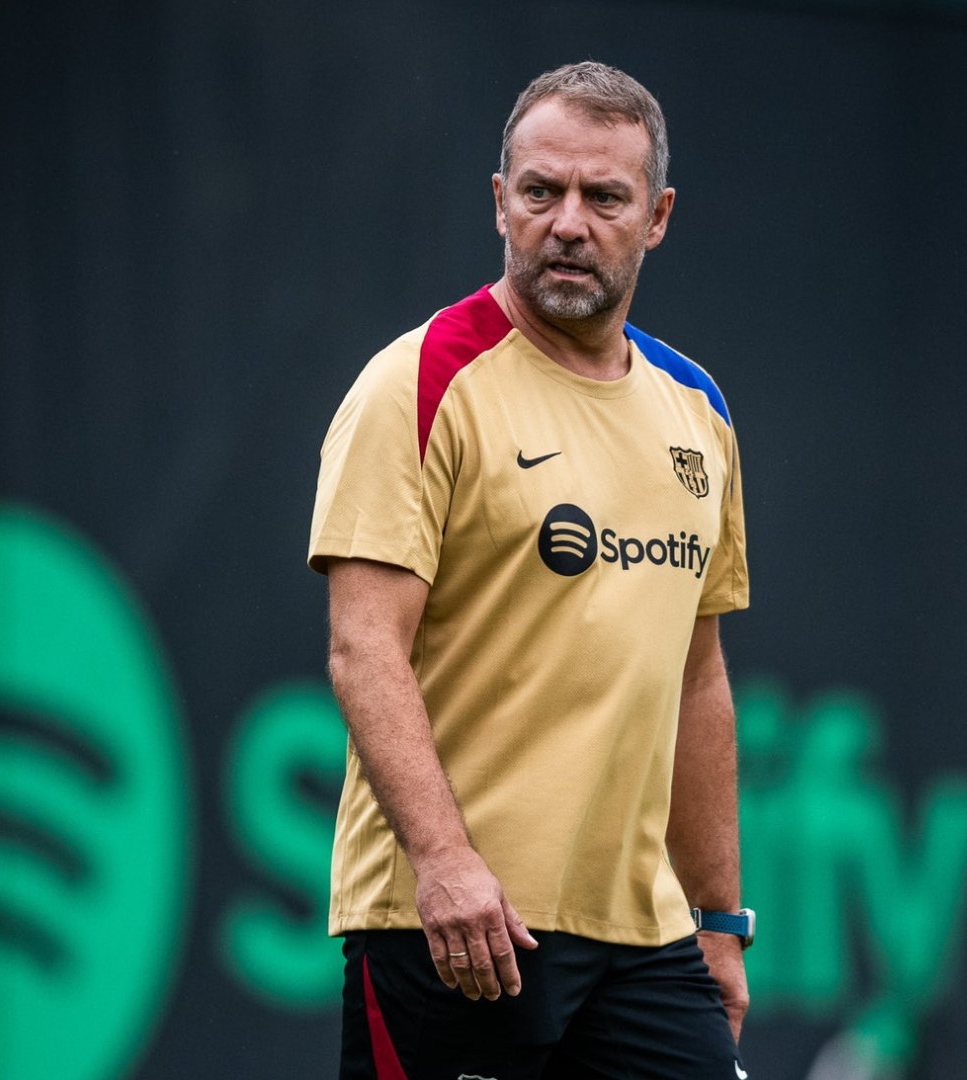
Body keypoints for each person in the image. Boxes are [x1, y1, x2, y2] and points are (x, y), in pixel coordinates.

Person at [308, 60, 752, 1079]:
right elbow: (363, 648)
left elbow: (697, 678)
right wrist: (443, 861)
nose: (568, 224)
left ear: (657, 217)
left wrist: (719, 917)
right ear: (500, 201)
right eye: (542, 191)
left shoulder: (698, 410)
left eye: (605, 198)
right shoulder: (417, 381)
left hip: (643, 939)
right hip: (461, 927)